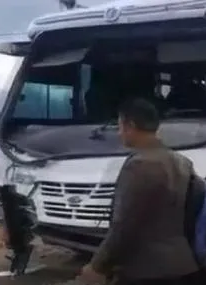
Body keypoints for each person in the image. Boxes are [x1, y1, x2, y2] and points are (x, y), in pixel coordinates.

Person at [78, 98, 199, 285]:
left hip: (145, 270)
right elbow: (193, 211)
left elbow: (124, 225)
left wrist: (97, 267)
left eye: (120, 126)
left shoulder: (139, 165)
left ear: (131, 126)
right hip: (181, 263)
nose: (119, 133)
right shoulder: (182, 162)